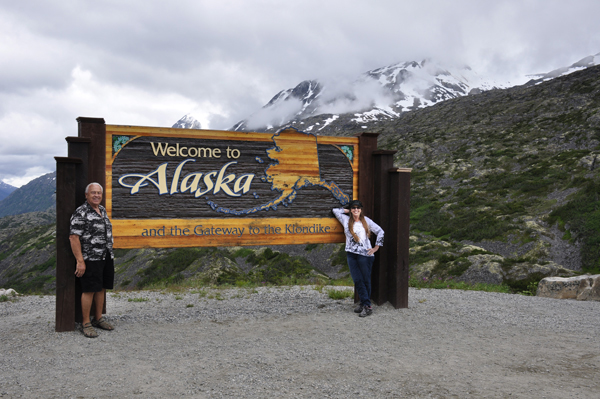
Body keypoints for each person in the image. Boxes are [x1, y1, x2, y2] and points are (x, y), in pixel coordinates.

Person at [69, 182, 115, 338]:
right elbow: (74, 237)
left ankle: (98, 318)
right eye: (93, 193)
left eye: (99, 193)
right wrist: (80, 261)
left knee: (101, 287)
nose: (96, 195)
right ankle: (86, 323)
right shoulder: (81, 212)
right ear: (86, 195)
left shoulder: (101, 210)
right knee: (89, 289)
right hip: (90, 257)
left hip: (106, 255)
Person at [333, 200, 384, 317]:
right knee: (357, 280)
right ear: (351, 210)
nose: (356, 210)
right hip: (351, 254)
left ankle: (366, 305)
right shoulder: (345, 220)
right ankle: (364, 303)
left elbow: (381, 231)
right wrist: (348, 210)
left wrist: (376, 248)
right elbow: (335, 211)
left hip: (365, 255)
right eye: (354, 208)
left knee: (365, 280)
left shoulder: (366, 221)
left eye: (358, 208)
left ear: (361, 209)